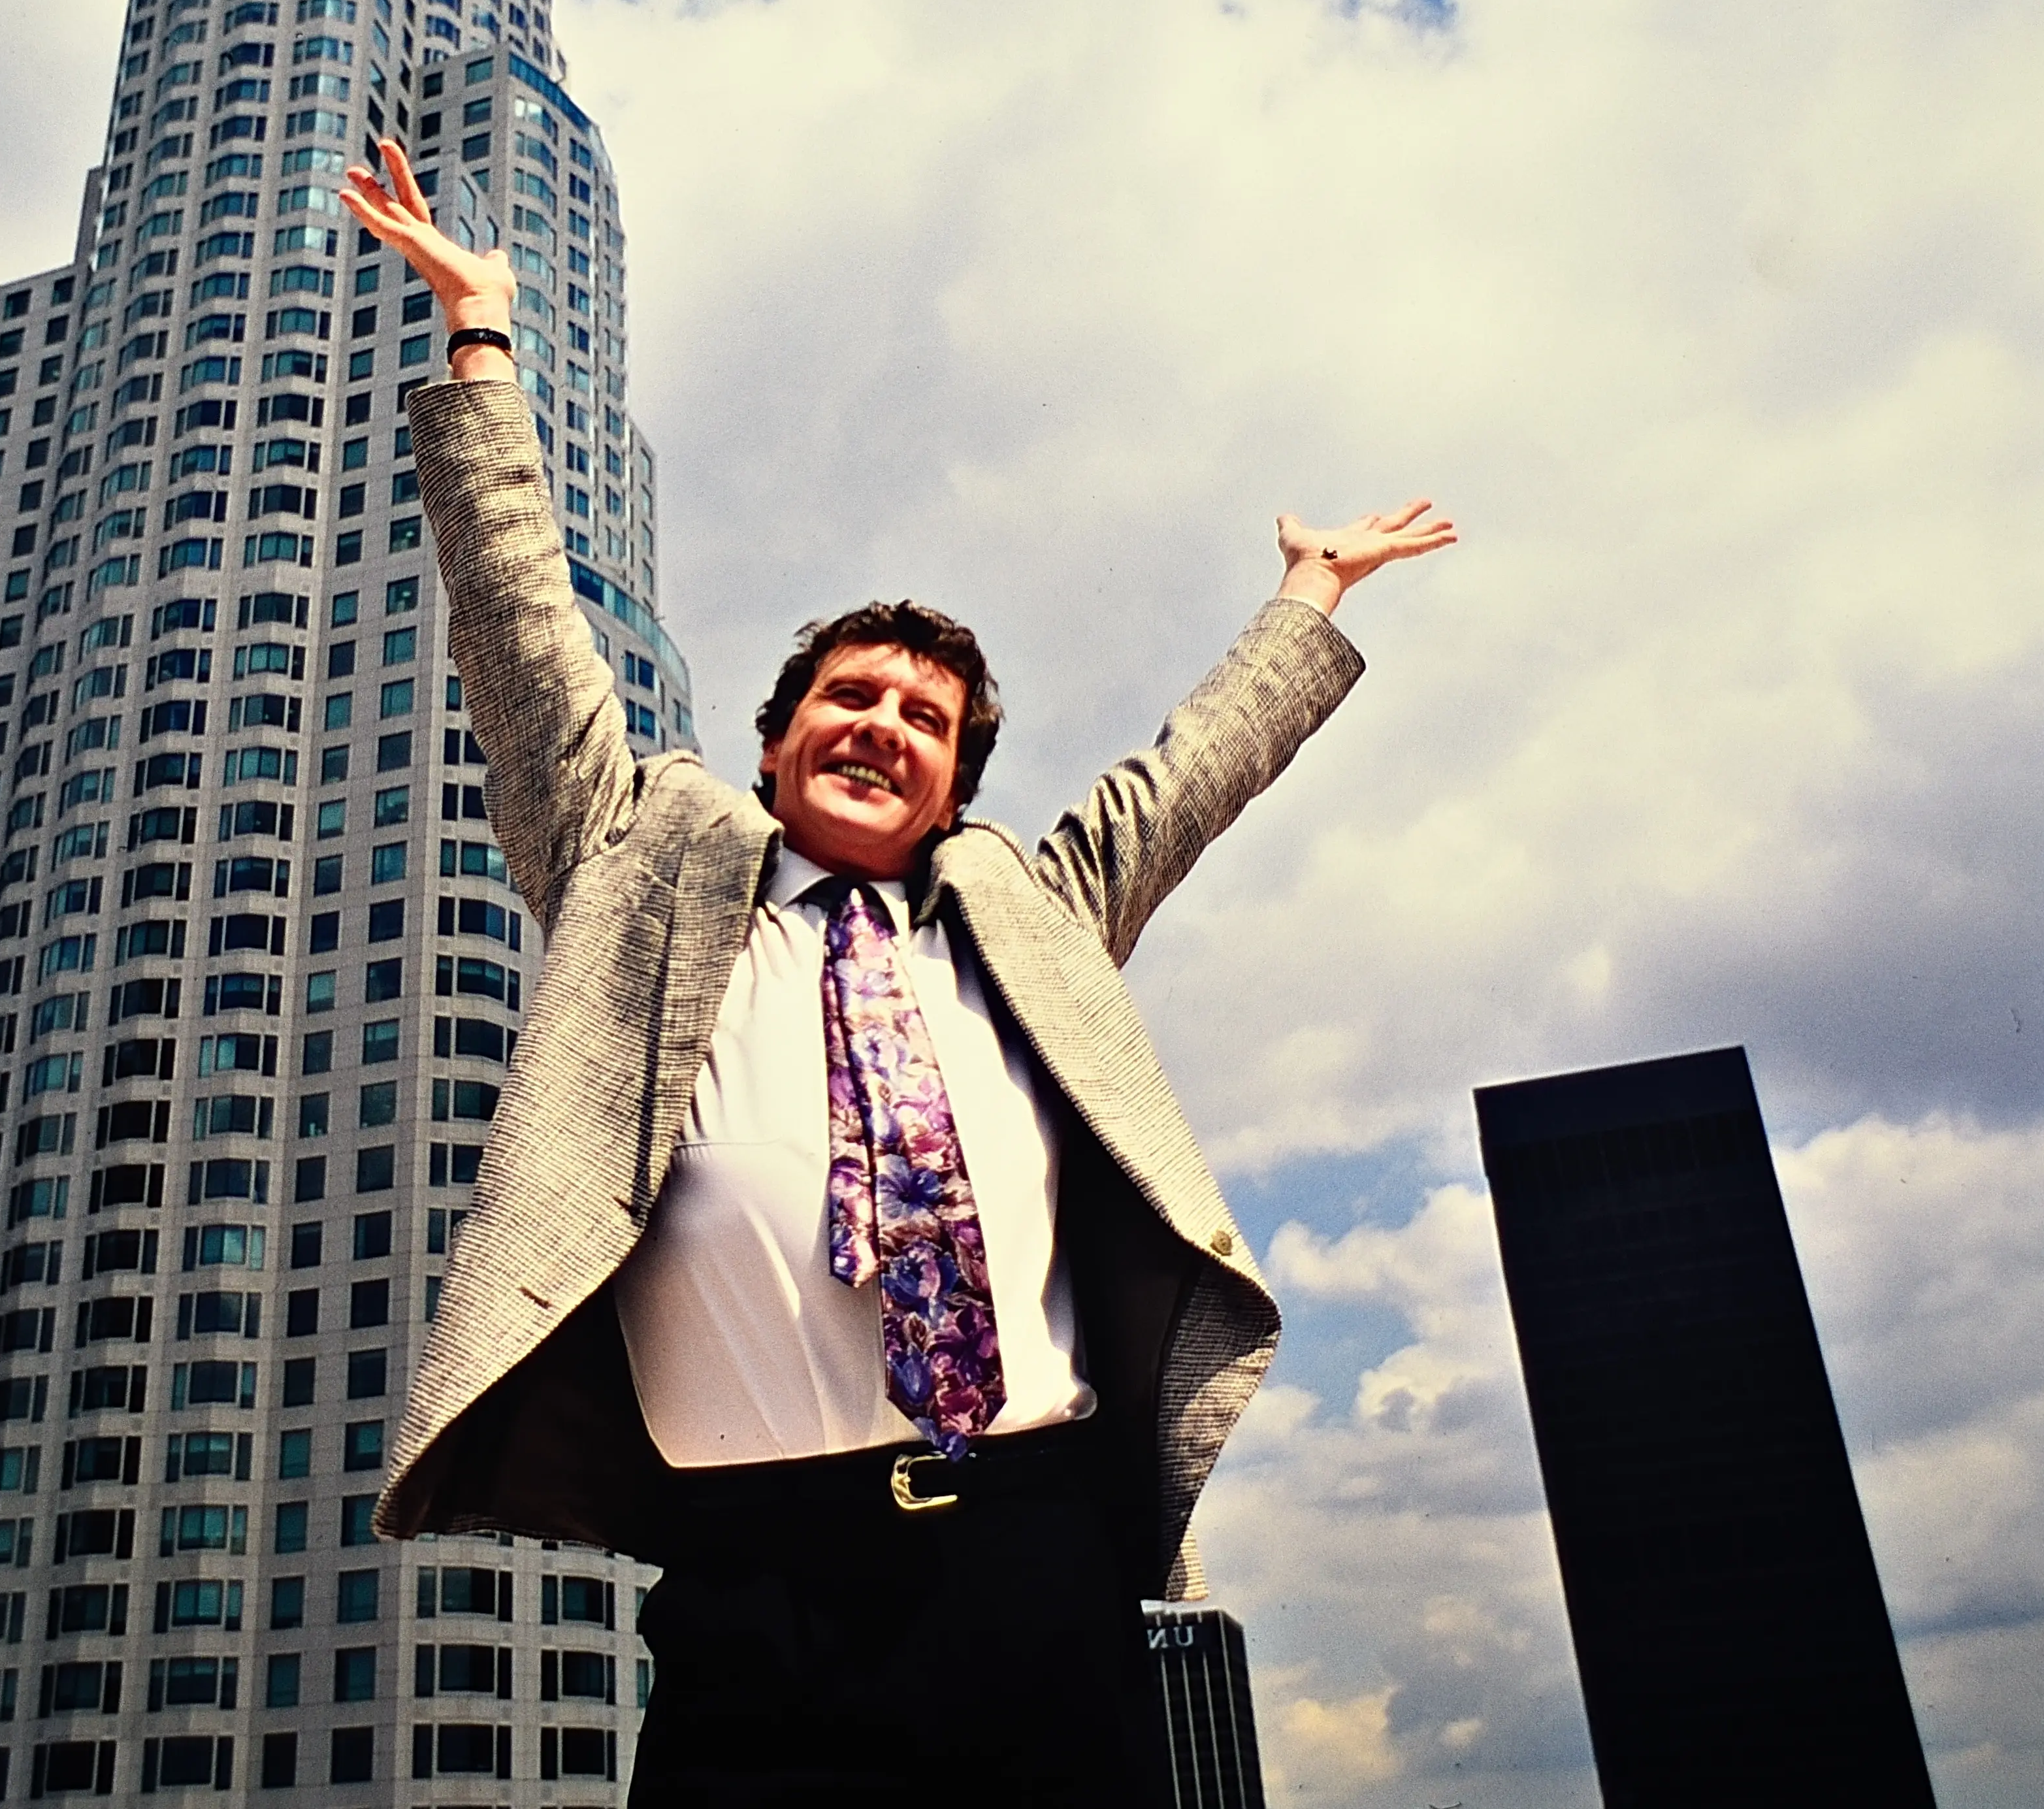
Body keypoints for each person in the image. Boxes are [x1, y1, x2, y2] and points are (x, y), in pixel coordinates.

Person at [340, 144, 1454, 1806]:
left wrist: (1308, 594)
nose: (884, 725)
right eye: (849, 699)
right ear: (776, 742)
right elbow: (524, 631)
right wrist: (482, 345)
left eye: (926, 721)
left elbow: (1188, 771)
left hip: (1030, 1557)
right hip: (749, 1583)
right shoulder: (637, 859)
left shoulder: (1029, 910)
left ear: (956, 785)